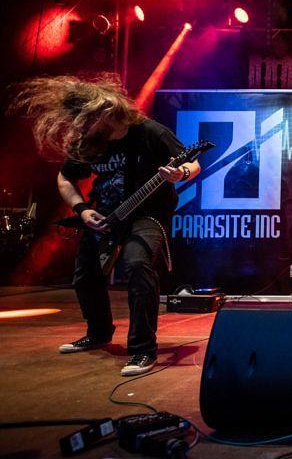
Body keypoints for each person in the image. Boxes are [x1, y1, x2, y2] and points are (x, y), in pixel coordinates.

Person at [12, 75, 200, 376]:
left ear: (105, 112)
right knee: (85, 275)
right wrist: (82, 210)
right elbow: (65, 178)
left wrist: (181, 174)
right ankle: (98, 333)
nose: (81, 127)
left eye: (86, 120)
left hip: (148, 214)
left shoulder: (150, 132)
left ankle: (143, 349)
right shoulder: (90, 142)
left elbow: (192, 162)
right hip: (106, 216)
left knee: (137, 265)